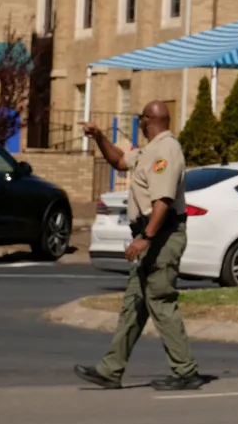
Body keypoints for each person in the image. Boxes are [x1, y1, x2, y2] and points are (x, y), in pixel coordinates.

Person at [74, 100, 203, 390]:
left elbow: (163, 201)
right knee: (134, 304)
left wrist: (146, 237)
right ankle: (111, 370)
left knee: (160, 300)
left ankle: (186, 372)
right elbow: (119, 161)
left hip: (162, 236)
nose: (139, 124)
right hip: (151, 236)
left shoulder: (166, 151)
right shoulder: (149, 150)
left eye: (140, 120)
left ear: (147, 120)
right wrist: (99, 138)